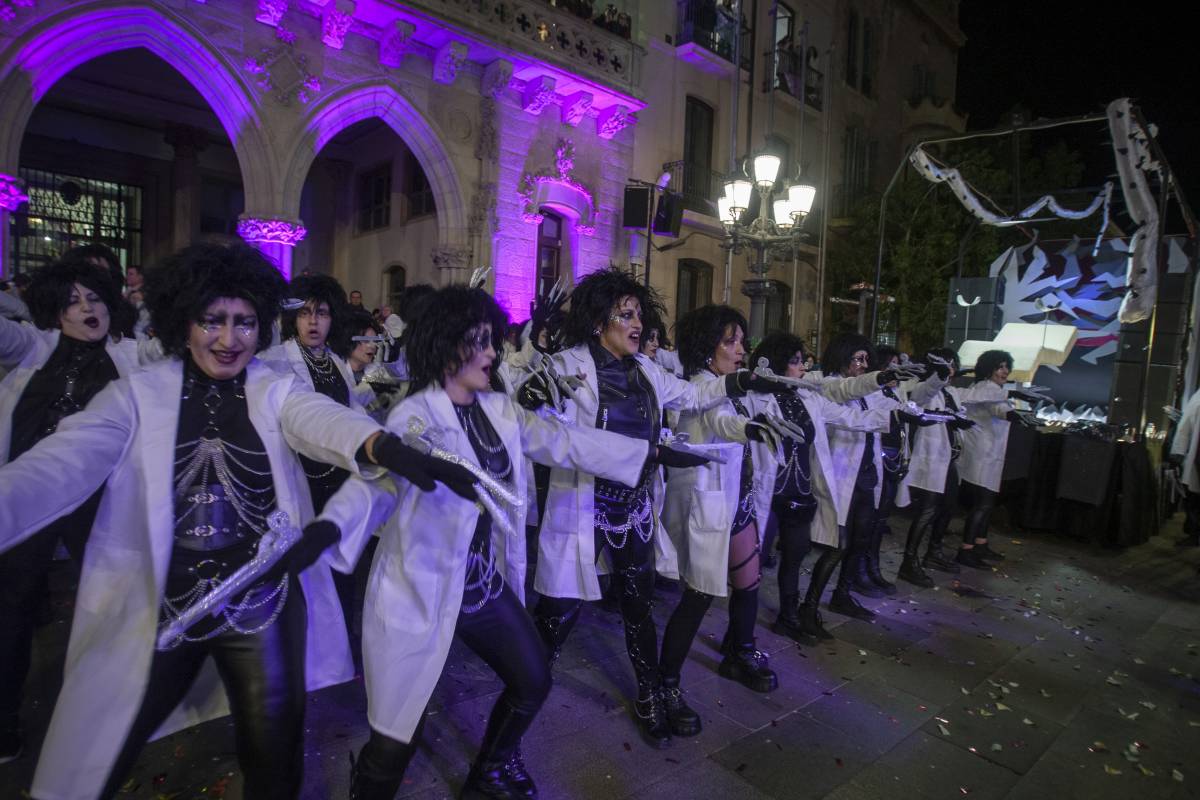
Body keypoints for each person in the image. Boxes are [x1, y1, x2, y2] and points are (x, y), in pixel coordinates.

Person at [0, 243, 469, 800]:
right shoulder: (134, 396)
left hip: (261, 603)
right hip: (165, 606)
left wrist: (375, 442)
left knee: (273, 757)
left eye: (244, 323)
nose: (229, 340)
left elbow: (315, 417)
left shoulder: (272, 386)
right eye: (212, 321)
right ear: (183, 322)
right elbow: (56, 467)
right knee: (95, 752)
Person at [343, 285, 678, 799]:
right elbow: (389, 468)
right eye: (480, 342)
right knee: (395, 735)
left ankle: (490, 770)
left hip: (479, 584)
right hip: (423, 585)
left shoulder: (499, 409)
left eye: (493, 342)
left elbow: (562, 440)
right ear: (445, 345)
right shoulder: (412, 418)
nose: (493, 353)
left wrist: (648, 454)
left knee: (532, 678)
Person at [525, 268, 774, 748]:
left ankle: (650, 694)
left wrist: (741, 381)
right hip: (585, 506)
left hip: (635, 508)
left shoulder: (647, 370)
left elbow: (697, 393)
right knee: (558, 614)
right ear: (599, 321)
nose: (637, 322)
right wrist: (533, 396)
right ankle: (524, 695)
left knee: (639, 608)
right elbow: (537, 427)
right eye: (626, 313)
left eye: (639, 313)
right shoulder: (566, 365)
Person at [0, 258, 147, 764]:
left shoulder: (131, 356)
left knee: (109, 602)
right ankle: (2, 723)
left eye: (94, 298)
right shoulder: (33, 347)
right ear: (53, 312)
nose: (86, 309)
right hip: (32, 492)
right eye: (71, 301)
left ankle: (105, 720)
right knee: (12, 604)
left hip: (101, 498)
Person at [660, 306, 788, 714]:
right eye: (729, 341)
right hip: (708, 504)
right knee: (698, 596)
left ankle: (740, 652)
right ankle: (666, 684)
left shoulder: (728, 385)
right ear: (706, 346)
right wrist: (749, 429)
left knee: (749, 583)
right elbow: (722, 423)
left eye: (741, 340)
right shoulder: (700, 386)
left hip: (738, 499)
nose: (740, 349)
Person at [748, 333, 893, 643]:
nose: (803, 367)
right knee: (752, 566)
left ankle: (788, 617)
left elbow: (848, 416)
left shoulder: (810, 397)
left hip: (799, 494)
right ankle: (740, 635)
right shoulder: (756, 397)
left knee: (794, 557)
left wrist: (892, 415)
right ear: (776, 364)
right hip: (767, 493)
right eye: (795, 361)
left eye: (803, 361)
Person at [894, 349, 978, 585]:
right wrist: (938, 376)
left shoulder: (951, 392)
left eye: (953, 365)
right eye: (945, 365)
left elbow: (955, 415)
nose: (950, 369)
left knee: (947, 508)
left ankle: (934, 552)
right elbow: (920, 397)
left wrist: (959, 421)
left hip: (949, 460)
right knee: (928, 510)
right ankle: (909, 563)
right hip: (930, 460)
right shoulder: (923, 387)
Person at [955, 350, 1018, 568]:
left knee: (986, 502)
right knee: (983, 503)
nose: (1005, 371)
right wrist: (1013, 414)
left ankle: (980, 543)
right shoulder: (987, 389)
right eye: (1000, 367)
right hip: (982, 453)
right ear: (988, 368)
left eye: (1006, 366)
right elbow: (998, 408)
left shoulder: (989, 388)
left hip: (987, 453)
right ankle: (967, 549)